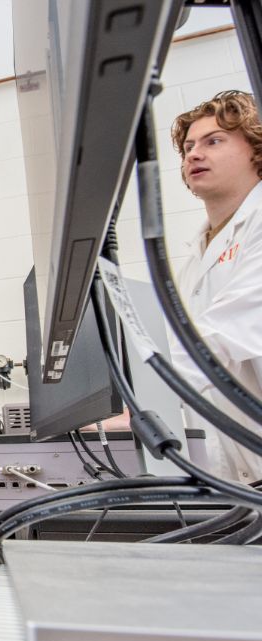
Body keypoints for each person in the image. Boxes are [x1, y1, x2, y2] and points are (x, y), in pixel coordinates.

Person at [170, 90, 262, 483]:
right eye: (189, 146)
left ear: (256, 150)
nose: (193, 154)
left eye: (214, 141)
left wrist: (136, 400)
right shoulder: (196, 252)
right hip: (233, 475)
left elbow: (224, 337)